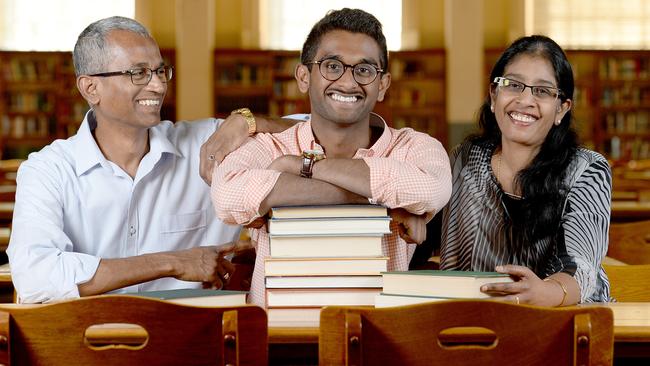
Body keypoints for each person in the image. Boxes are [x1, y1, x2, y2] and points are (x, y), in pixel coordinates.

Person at [7, 16, 293, 303]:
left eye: (160, 71)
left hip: (192, 340)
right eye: (139, 73)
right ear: (90, 88)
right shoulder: (47, 171)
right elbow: (34, 275)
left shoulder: (209, 145)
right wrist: (171, 262)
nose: (158, 86)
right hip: (87, 340)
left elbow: (317, 135)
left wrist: (249, 121)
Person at [211, 8, 452, 306]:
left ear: (383, 85)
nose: (348, 83)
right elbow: (226, 196)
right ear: (303, 77)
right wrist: (387, 206)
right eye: (332, 66)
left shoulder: (414, 147)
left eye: (364, 70)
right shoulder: (266, 147)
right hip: (273, 338)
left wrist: (300, 168)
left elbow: (431, 189)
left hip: (375, 338)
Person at [437, 35, 611, 305]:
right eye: (513, 85)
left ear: (561, 109)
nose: (525, 100)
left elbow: (581, 266)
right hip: (472, 322)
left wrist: (545, 293)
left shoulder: (587, 170)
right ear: (494, 96)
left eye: (542, 91)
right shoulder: (464, 159)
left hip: (564, 323)